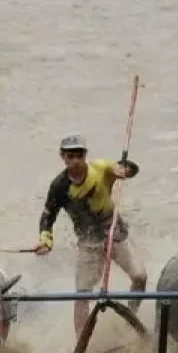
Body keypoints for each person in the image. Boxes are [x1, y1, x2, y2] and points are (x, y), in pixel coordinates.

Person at [35, 132, 148, 338]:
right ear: (63, 157)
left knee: (140, 276)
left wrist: (126, 169)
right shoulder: (59, 186)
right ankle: (81, 343)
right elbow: (47, 216)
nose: (76, 161)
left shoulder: (102, 168)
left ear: (85, 155)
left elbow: (132, 169)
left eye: (79, 155)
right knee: (81, 295)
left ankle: (131, 318)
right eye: (71, 156)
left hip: (115, 234)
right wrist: (46, 241)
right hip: (88, 242)